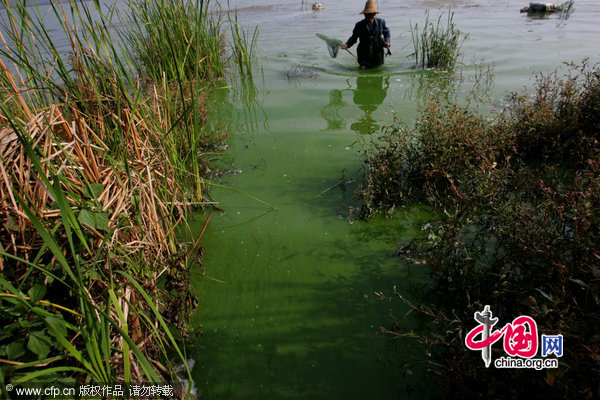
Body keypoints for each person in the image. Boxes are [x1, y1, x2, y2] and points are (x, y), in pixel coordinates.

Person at [342, 0, 391, 69]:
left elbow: (387, 33)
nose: (369, 16)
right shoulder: (359, 25)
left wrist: (387, 42)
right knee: (363, 70)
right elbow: (353, 38)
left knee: (378, 71)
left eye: (371, 14)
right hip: (363, 53)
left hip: (377, 53)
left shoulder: (381, 22)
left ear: (374, 14)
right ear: (364, 14)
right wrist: (346, 45)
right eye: (367, 14)